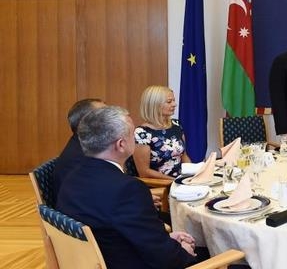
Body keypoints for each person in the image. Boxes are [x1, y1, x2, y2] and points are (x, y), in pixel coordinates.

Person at [56, 106, 199, 268]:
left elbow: (118, 230)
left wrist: (167, 239)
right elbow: (166, 259)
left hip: (95, 258)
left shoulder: (72, 176)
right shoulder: (127, 190)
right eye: (132, 134)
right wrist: (184, 252)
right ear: (121, 144)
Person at [133, 85, 190, 179]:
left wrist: (192, 176)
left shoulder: (176, 124)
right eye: (169, 101)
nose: (174, 104)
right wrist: (175, 181)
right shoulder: (142, 133)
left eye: (174, 100)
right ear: (155, 105)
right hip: (160, 184)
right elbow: (144, 172)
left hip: (181, 180)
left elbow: (184, 156)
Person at [53, 98, 106, 196]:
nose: (111, 119)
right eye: (104, 115)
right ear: (84, 123)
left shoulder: (87, 145)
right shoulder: (80, 159)